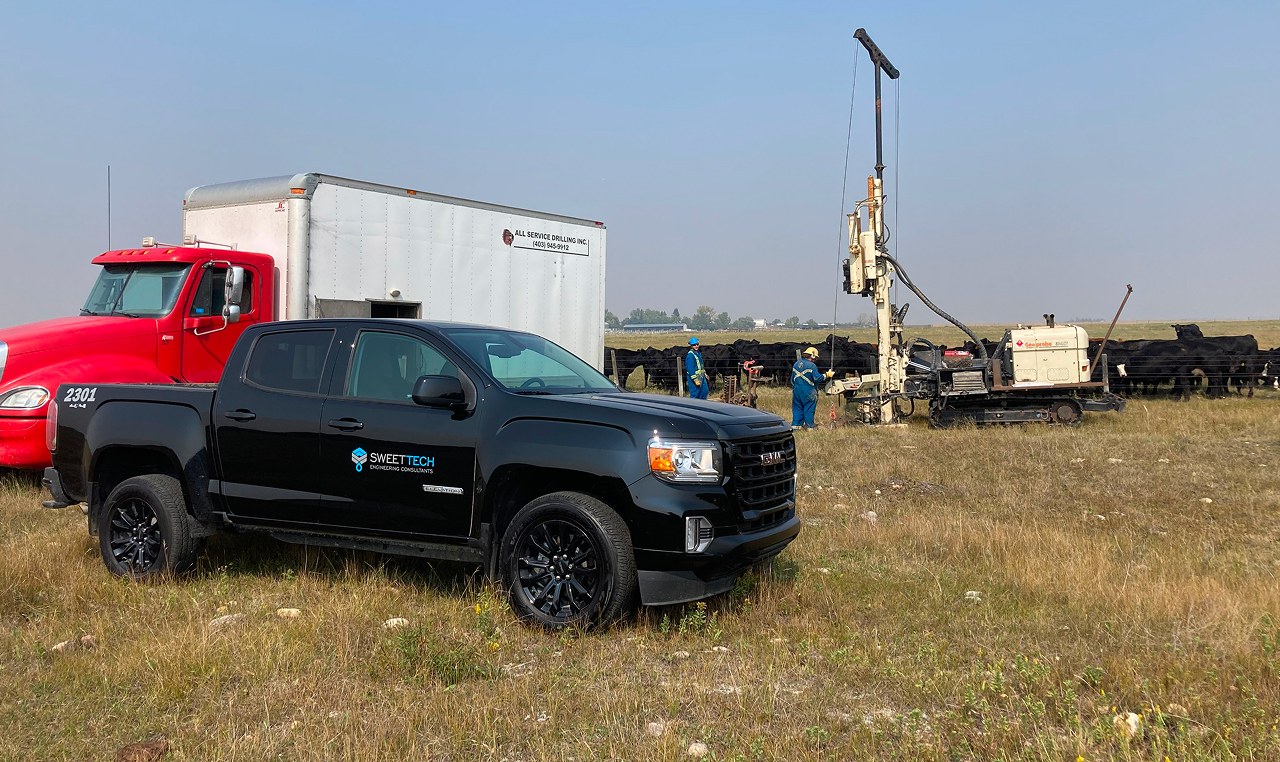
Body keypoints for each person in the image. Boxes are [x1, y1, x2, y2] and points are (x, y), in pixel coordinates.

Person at [792, 346, 834, 429]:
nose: (815, 360)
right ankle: (810, 427)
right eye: (815, 358)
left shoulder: (796, 364)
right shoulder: (812, 366)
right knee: (809, 409)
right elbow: (817, 378)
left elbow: (792, 380)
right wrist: (827, 375)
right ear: (812, 356)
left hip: (796, 390)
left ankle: (796, 427)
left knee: (797, 408)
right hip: (809, 391)